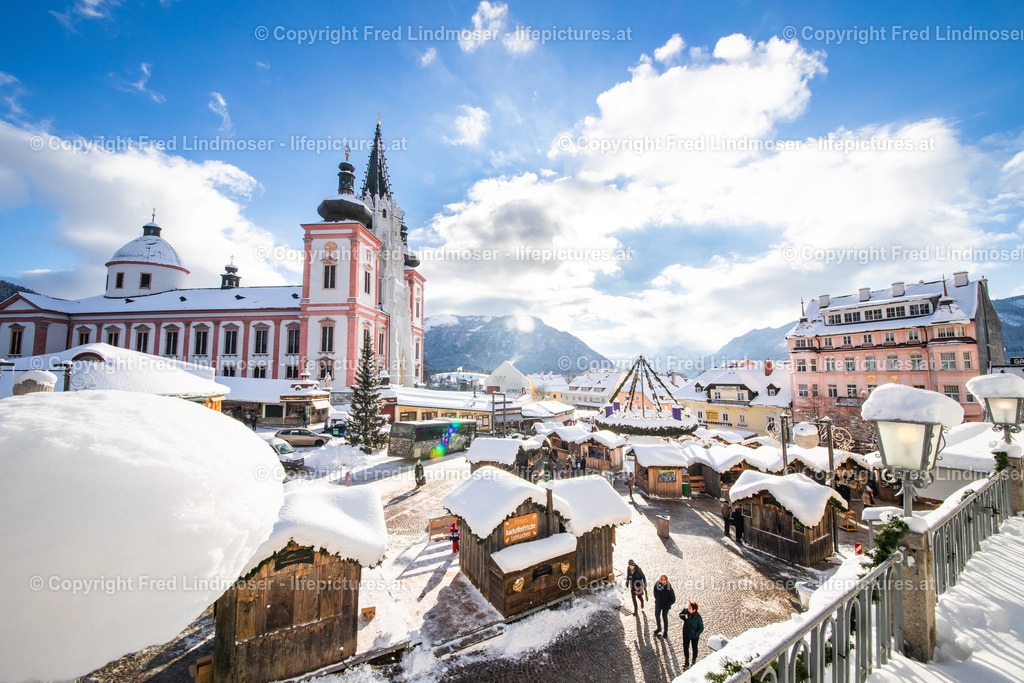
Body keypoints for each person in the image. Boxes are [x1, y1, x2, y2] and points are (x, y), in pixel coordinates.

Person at [679, 601, 704, 668]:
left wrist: (696, 634)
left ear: (694, 610)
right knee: (685, 647)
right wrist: (684, 617)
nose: (688, 608)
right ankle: (686, 661)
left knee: (694, 647)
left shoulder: (698, 617)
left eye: (690, 608)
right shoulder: (686, 611)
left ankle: (693, 661)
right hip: (686, 633)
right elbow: (680, 615)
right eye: (688, 607)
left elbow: (701, 628)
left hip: (694, 636)